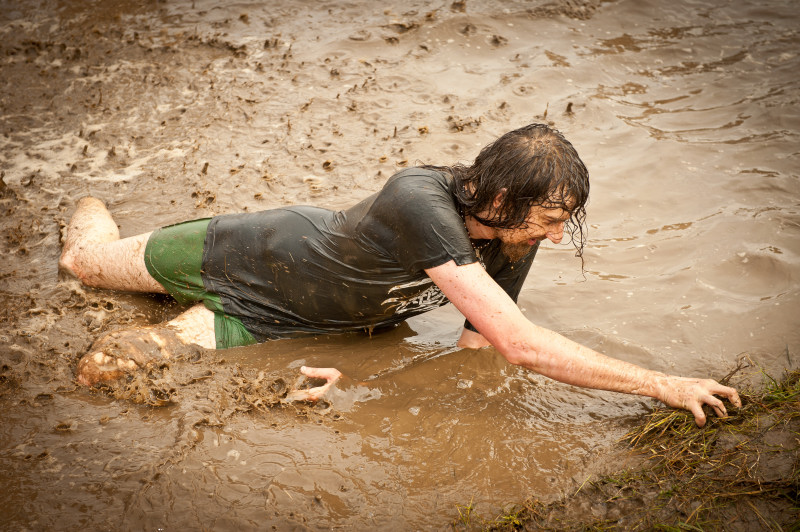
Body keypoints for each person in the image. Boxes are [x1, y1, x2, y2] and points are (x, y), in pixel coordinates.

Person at [59, 123, 740, 426]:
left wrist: (365, 390)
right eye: (547, 220)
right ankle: (89, 202)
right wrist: (660, 383)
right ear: (498, 199)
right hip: (240, 256)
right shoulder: (418, 200)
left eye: (563, 222)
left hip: (269, 320)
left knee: (108, 368)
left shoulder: (514, 236)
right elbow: (522, 344)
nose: (555, 236)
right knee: (83, 266)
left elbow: (476, 352)